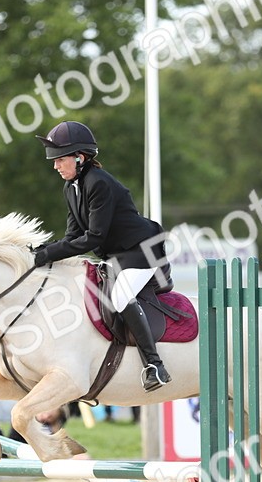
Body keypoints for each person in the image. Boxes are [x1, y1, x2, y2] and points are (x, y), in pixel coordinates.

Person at [32, 120, 171, 392]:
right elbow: (73, 236)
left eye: (60, 160)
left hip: (141, 252)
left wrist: (49, 254)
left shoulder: (98, 183)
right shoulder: (71, 188)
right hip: (117, 256)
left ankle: (155, 365)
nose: (55, 166)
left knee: (118, 297)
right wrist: (41, 251)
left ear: (79, 158)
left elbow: (93, 237)